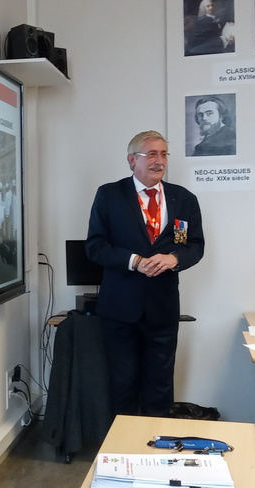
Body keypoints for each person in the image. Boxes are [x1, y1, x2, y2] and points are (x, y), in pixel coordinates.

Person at [86, 130, 205, 417]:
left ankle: (158, 440)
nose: (159, 161)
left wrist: (174, 258)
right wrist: (134, 261)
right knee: (122, 385)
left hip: (162, 309)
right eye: (151, 154)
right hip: (120, 309)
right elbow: (95, 246)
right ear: (132, 160)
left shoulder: (183, 199)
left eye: (163, 154)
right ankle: (124, 441)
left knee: (160, 386)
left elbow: (194, 246)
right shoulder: (110, 195)